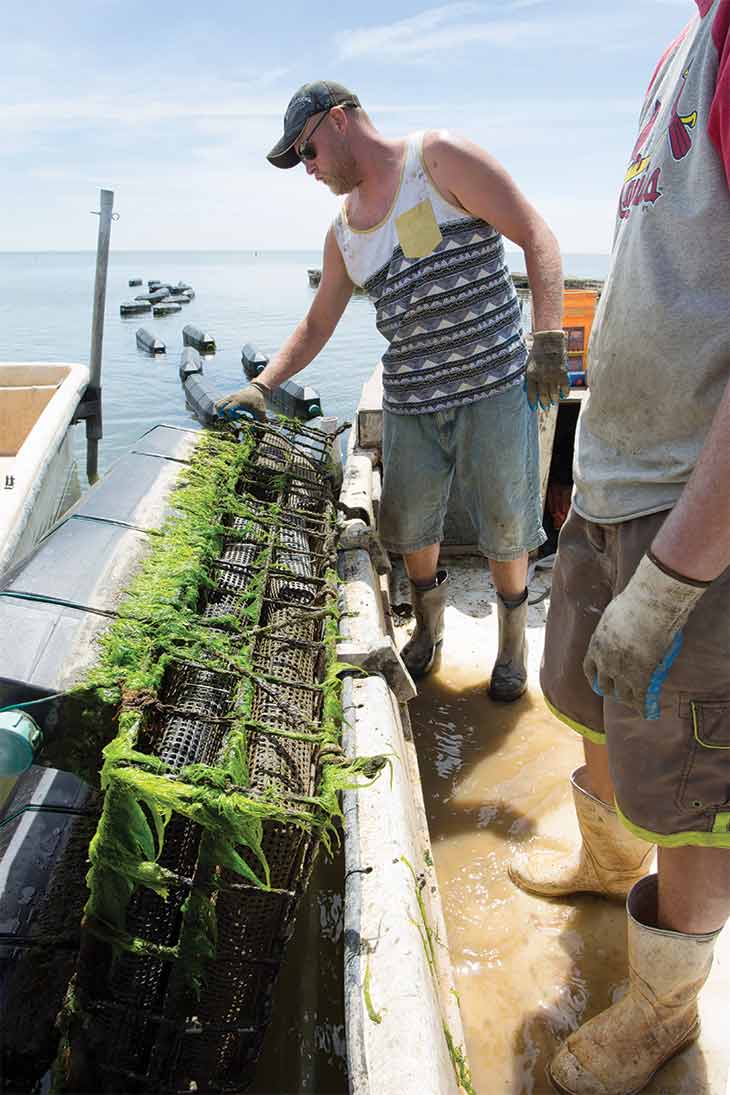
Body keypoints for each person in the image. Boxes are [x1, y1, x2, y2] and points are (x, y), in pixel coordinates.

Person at [509, 2, 730, 1092]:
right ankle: (605, 868)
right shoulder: (681, 51)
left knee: (690, 785)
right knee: (583, 702)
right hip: (610, 479)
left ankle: (663, 1010)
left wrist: (683, 571)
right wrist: (573, 471)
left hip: (698, 506)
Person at [217, 80, 568, 700]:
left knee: (508, 525)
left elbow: (537, 235)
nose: (311, 170)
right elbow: (318, 322)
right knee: (410, 529)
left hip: (493, 386)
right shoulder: (344, 233)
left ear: (340, 121)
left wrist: (547, 338)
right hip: (410, 401)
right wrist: (264, 385)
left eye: (308, 152)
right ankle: (429, 634)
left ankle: (511, 648)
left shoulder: (437, 159)